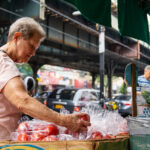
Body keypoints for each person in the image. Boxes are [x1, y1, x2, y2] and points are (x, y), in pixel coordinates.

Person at [0, 17, 90, 140]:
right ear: (17, 37)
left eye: (35, 49)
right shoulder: (4, 63)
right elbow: (23, 101)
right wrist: (64, 120)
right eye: (31, 46)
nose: (33, 53)